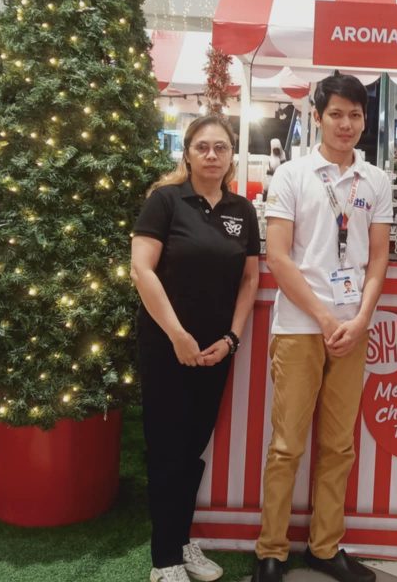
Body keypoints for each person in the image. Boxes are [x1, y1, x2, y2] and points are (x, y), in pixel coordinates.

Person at [253, 73, 392, 582]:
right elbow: (278, 257)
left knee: (339, 446)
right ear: (318, 117)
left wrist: (360, 319)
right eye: (337, 113)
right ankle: (271, 550)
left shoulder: (376, 180)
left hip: (353, 328)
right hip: (300, 327)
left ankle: (325, 546)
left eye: (355, 115)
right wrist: (327, 316)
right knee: (287, 443)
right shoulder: (292, 175)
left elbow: (379, 261)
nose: (346, 124)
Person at [131, 115, 261, 582]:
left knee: (192, 448)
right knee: (167, 449)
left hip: (216, 351)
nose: (211, 155)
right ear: (186, 153)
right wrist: (178, 336)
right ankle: (163, 560)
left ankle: (182, 540)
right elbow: (142, 271)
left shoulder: (241, 210)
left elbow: (250, 279)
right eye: (202, 147)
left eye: (220, 148)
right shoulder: (165, 201)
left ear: (231, 156)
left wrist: (231, 338)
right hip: (167, 345)